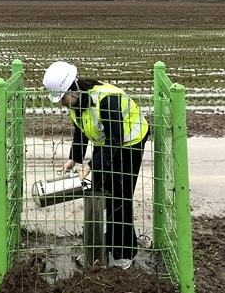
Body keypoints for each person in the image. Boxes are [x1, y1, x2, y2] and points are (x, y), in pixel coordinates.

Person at [42, 61, 149, 269]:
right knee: (96, 191)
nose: (61, 103)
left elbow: (116, 139)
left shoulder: (106, 99)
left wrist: (91, 165)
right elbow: (81, 130)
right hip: (106, 141)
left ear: (72, 89)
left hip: (130, 143)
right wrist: (74, 158)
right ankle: (97, 250)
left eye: (62, 98)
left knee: (119, 196)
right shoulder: (76, 102)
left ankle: (124, 254)